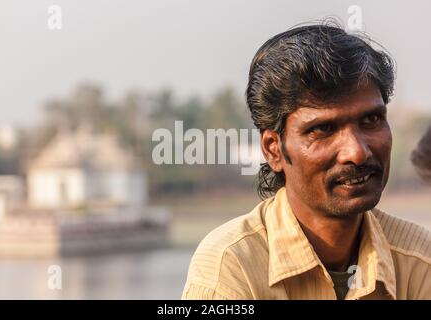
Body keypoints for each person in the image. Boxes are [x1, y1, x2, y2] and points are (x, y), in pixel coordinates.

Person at [181, 21, 431, 300]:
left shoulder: (420, 261)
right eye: (323, 129)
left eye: (371, 120)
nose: (357, 152)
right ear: (273, 149)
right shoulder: (231, 267)